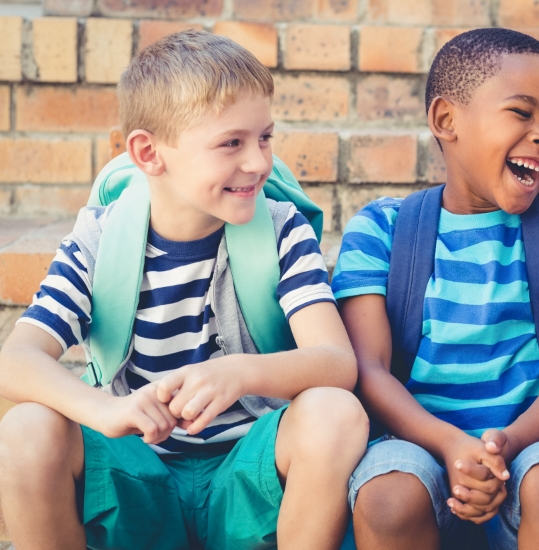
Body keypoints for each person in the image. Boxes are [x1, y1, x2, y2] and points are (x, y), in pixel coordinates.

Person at [0, 30, 367, 550]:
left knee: (335, 411)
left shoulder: (283, 229)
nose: (260, 162)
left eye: (265, 137)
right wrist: (104, 410)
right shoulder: (101, 241)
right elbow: (15, 361)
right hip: (137, 472)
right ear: (149, 153)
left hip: (250, 477)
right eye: (231, 143)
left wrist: (241, 373)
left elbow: (337, 362)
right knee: (25, 428)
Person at [332, 28, 539, 550]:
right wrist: (449, 445)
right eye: (521, 113)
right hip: (416, 449)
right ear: (446, 120)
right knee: (388, 494)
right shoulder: (381, 229)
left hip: (534, 450)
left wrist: (504, 446)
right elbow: (367, 368)